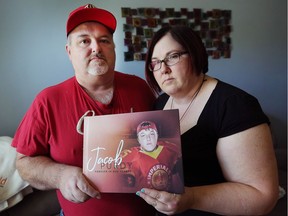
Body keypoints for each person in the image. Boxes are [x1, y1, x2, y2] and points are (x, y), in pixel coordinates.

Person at [11, 4, 156, 216]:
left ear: (114, 49)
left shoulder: (140, 88)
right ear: (69, 52)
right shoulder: (48, 100)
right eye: (84, 41)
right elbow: (24, 163)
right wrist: (60, 176)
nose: (96, 48)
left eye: (104, 40)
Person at [136, 25, 279, 215]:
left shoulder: (235, 105)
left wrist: (193, 197)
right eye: (155, 62)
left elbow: (262, 197)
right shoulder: (159, 104)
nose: (164, 69)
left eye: (172, 57)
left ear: (195, 55)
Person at [121, 121, 184, 193]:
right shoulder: (131, 154)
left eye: (151, 134)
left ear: (157, 135)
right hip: (143, 196)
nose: (148, 138)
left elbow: (176, 179)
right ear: (138, 140)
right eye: (143, 135)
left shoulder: (171, 149)